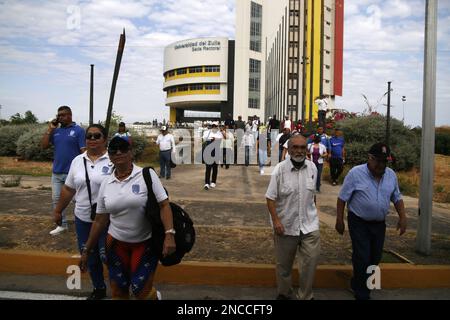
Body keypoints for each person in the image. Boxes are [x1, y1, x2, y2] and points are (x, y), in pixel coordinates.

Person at [80, 136, 176, 300]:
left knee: (141, 292)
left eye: (123, 148)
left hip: (145, 243)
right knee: (118, 292)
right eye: (113, 150)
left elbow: (164, 205)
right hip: (115, 244)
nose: (118, 152)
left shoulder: (146, 175)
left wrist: (169, 235)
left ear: (131, 153)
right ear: (109, 156)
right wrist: (87, 250)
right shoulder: (106, 183)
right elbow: (100, 220)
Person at [335, 143, 407, 300]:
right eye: (378, 161)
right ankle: (363, 294)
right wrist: (339, 220)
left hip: (379, 224)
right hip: (358, 222)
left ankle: (357, 282)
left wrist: (403, 217)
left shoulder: (390, 175)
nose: (381, 165)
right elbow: (342, 198)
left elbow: (397, 197)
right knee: (362, 256)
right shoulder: (356, 173)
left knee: (375, 257)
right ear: (370, 158)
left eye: (384, 162)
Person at [53, 124, 112, 299]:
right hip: (83, 219)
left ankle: (121, 288)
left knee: (108, 255)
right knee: (89, 256)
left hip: (109, 219)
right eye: (89, 136)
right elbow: (68, 189)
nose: (92, 139)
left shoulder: (113, 159)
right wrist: (58, 211)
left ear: (105, 139)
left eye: (97, 136)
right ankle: (99, 289)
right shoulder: (77, 161)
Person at [265, 135, 320, 300]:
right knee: (284, 266)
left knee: (310, 264)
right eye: (295, 147)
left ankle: (306, 296)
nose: (299, 151)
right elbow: (270, 198)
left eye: (303, 147)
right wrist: (276, 221)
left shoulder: (312, 168)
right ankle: (285, 294)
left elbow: (312, 196)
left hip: (310, 226)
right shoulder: (279, 170)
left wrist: (313, 212)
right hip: (285, 226)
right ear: (288, 150)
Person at [41, 105, 86, 235]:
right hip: (56, 172)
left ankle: (82, 224)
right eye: (58, 115)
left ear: (70, 115)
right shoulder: (56, 131)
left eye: (62, 115)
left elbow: (83, 151)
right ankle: (62, 225)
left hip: (72, 173)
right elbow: (43, 146)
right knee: (56, 200)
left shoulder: (78, 131)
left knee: (78, 200)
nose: (59, 117)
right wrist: (50, 129)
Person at [202, 122, 223, 190]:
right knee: (208, 168)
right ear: (211, 126)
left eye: (215, 126)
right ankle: (207, 183)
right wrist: (212, 138)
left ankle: (213, 181)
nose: (214, 127)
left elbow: (220, 138)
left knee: (215, 168)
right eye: (213, 126)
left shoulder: (219, 133)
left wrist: (214, 138)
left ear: (217, 126)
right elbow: (204, 138)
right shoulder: (207, 132)